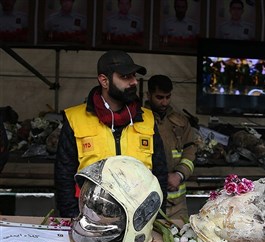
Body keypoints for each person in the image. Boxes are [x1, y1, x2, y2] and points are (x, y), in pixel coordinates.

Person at [54, 50, 168, 219]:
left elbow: (160, 174)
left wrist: (157, 218)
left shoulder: (148, 120)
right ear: (104, 81)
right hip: (89, 219)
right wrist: (72, 217)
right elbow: (63, 176)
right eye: (125, 77)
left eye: (134, 76)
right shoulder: (75, 119)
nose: (134, 82)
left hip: (139, 220)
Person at [145, 75, 196, 220]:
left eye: (168, 97)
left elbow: (190, 151)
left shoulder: (180, 122)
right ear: (148, 95)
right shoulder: (138, 120)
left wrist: (179, 174)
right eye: (159, 97)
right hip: (148, 200)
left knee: (182, 240)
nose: (164, 102)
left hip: (178, 205)